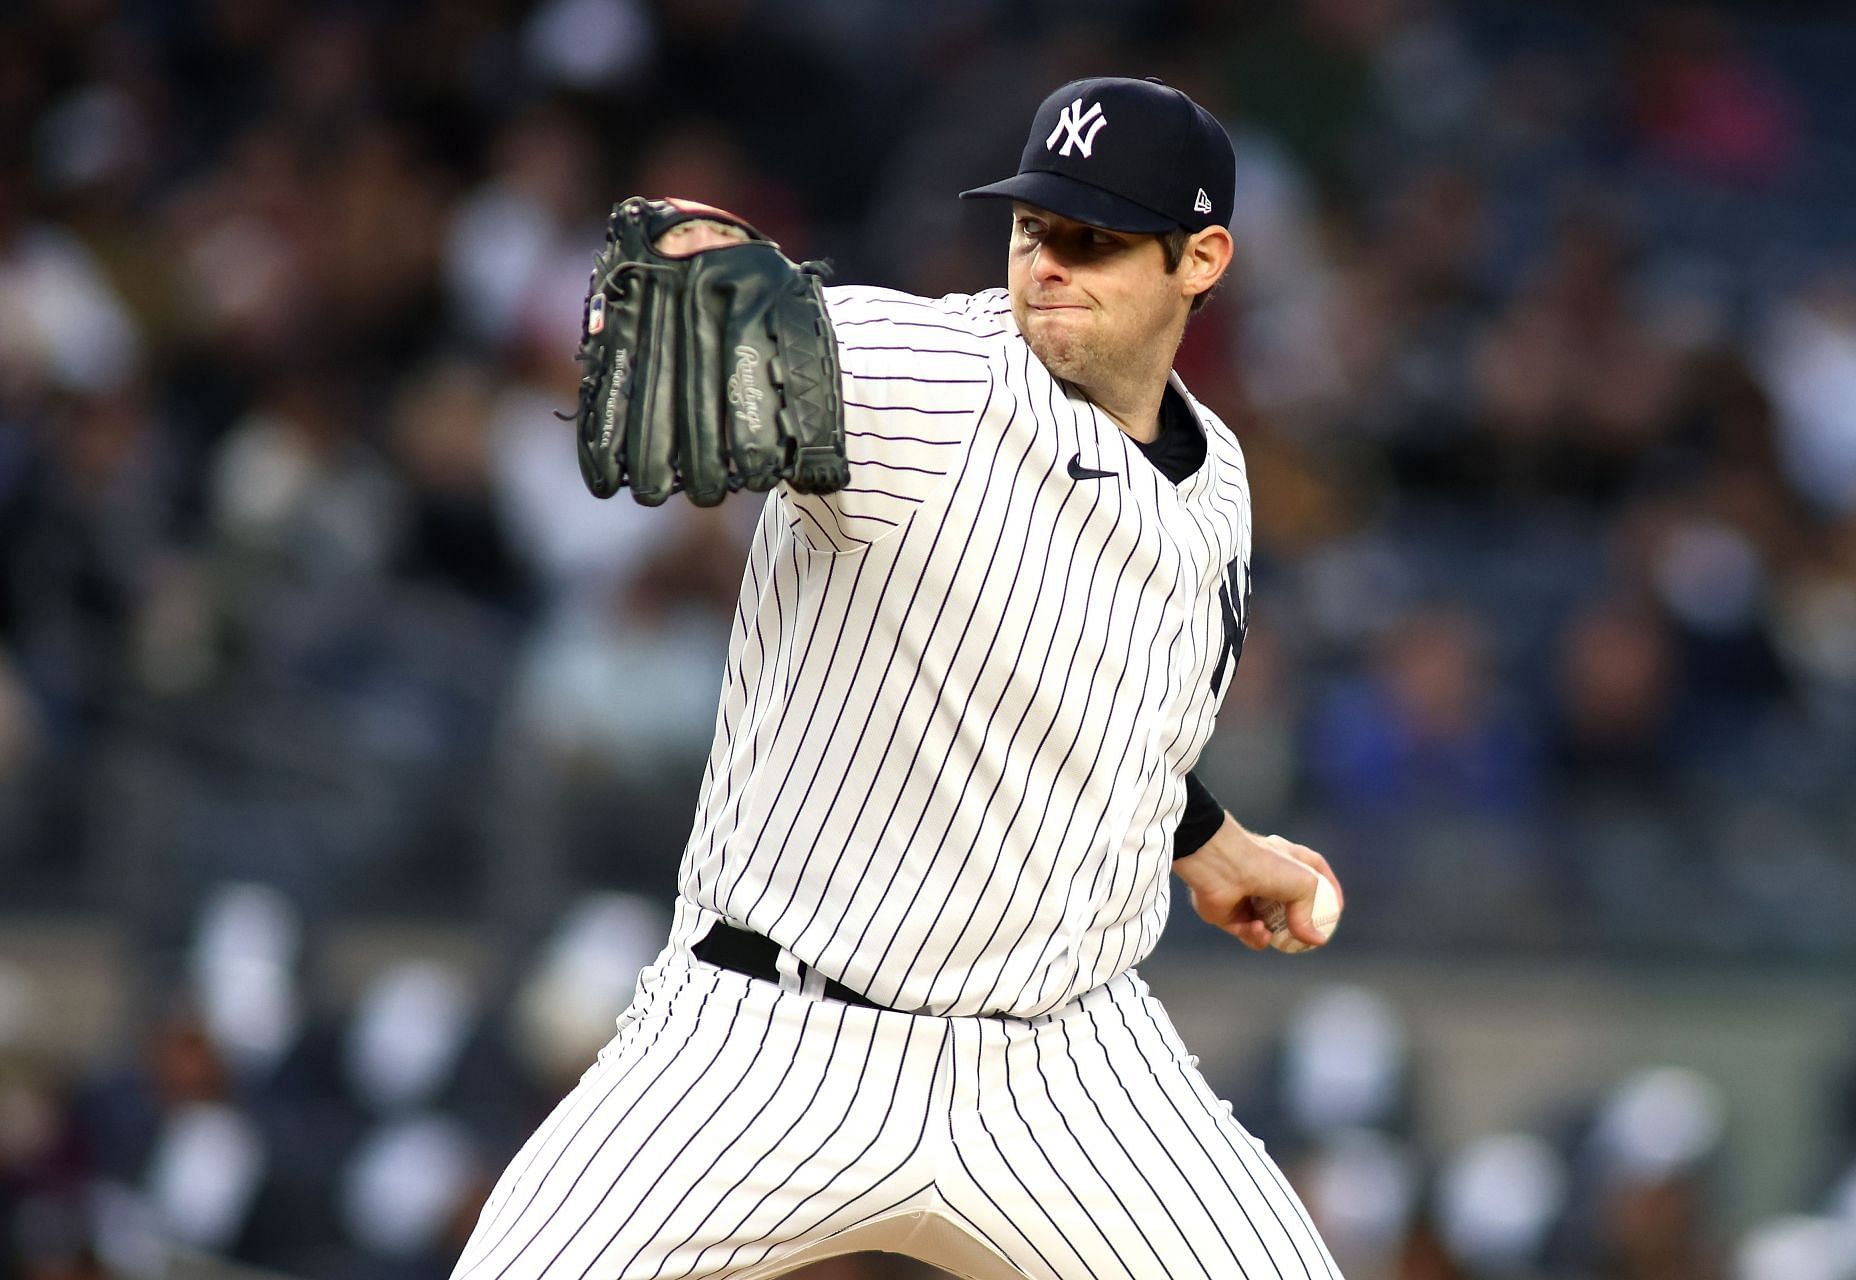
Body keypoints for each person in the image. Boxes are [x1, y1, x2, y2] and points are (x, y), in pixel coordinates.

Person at [452, 75, 1347, 1280]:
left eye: (1096, 238)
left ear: (1203, 258)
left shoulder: (1218, 479)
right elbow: (809, 343)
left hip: (1067, 1067)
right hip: (769, 1042)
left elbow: (1095, 712)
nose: (1048, 263)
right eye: (1035, 227)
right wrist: (706, 275)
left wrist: (1212, 843)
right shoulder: (932, 377)